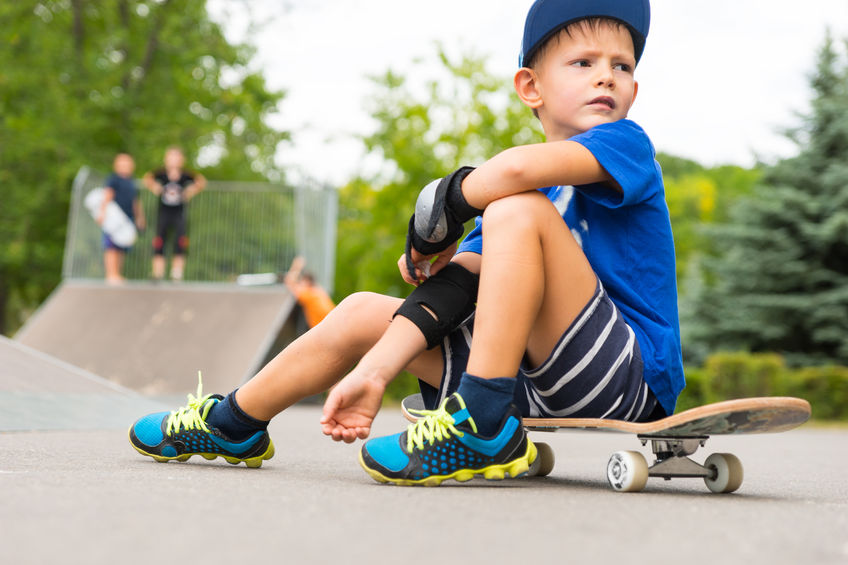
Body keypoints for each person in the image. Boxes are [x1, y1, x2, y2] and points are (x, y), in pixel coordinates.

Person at [128, 0, 684, 487]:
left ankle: (481, 422)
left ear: (635, 88)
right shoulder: (515, 207)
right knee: (358, 313)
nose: (606, 77)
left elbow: (511, 172)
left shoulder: (625, 148)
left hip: (624, 378)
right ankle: (233, 424)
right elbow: (456, 288)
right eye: (583, 63)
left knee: (514, 203)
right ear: (530, 87)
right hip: (530, 382)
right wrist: (374, 371)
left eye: (622, 66)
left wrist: (446, 204)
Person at [142, 146, 206, 282]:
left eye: (176, 157)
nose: (174, 160)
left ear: (182, 160)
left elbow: (201, 181)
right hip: (164, 213)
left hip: (179, 213)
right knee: (159, 242)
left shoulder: (185, 175)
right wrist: (155, 187)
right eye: (171, 157)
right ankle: (157, 273)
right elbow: (147, 178)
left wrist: (190, 191)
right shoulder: (161, 174)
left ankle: (177, 273)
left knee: (180, 242)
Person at [98, 153, 145, 285]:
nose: (125, 166)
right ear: (116, 165)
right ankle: (110, 274)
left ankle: (117, 273)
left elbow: (136, 201)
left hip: (127, 218)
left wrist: (140, 217)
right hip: (114, 218)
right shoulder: (113, 179)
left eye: (128, 163)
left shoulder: (132, 181)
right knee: (111, 246)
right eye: (122, 163)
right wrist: (102, 212)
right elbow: (108, 195)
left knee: (122, 245)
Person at [284, 256, 336, 328]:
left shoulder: (308, 294)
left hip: (323, 327)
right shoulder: (318, 290)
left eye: (302, 281)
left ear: (307, 282)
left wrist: (296, 266)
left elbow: (289, 282)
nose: (300, 283)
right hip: (332, 321)